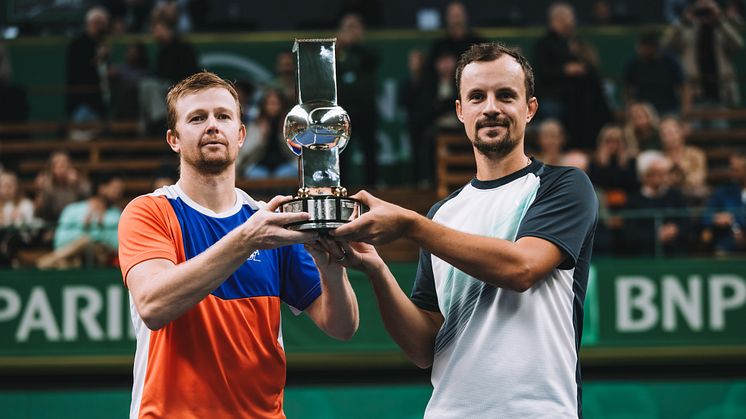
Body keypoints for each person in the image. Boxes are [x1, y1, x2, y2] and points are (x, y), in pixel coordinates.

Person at [331, 43, 598, 418]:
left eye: (505, 95)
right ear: (460, 110)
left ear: (530, 108)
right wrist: (376, 268)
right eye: (477, 97)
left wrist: (411, 224)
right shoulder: (442, 215)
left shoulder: (563, 186)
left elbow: (521, 269)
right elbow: (424, 348)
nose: (491, 107)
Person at [117, 71, 358, 418]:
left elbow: (342, 326)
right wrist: (247, 240)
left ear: (241, 134)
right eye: (197, 118)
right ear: (173, 139)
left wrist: (331, 265)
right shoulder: (150, 212)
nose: (212, 126)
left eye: (223, 116)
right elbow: (153, 305)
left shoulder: (266, 220)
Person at [533, 2, 611, 150]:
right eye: (570, 18)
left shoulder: (577, 42)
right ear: (558, 19)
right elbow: (541, 73)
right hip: (555, 94)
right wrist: (564, 70)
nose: (573, 22)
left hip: (582, 93)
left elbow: (593, 68)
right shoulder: (543, 45)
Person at [36, 174, 124, 269]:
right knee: (83, 243)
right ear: (101, 188)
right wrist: (84, 229)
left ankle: (47, 262)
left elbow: (118, 246)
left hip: (101, 261)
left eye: (120, 190)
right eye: (115, 188)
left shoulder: (117, 215)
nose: (118, 192)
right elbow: (59, 242)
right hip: (73, 261)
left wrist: (100, 231)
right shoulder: (73, 210)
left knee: (87, 242)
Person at [623, 30, 687, 115]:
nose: (643, 50)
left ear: (655, 48)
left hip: (668, 108)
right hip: (644, 110)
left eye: (646, 48)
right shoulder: (633, 63)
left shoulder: (670, 61)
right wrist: (630, 106)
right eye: (641, 47)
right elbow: (627, 88)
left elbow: (684, 86)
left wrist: (685, 110)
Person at [65, 6, 110, 123]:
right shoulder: (78, 44)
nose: (103, 28)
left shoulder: (100, 43)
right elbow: (80, 72)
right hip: (83, 101)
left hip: (99, 101)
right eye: (101, 24)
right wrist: (99, 57)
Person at [702, 153, 746, 254]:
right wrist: (715, 218)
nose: (731, 173)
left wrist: (735, 218)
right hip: (728, 245)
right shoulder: (722, 192)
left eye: (736, 170)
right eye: (731, 169)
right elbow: (705, 217)